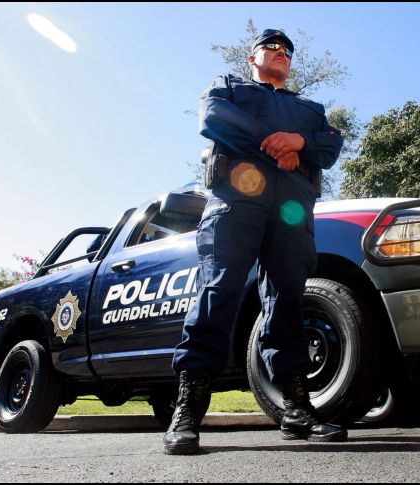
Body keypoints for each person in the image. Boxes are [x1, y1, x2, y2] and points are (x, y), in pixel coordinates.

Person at [163, 29, 345, 455]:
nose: (281, 53)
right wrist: (278, 145)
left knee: (287, 298)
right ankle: (188, 411)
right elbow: (214, 118)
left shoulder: (310, 108)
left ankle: (296, 408)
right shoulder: (229, 86)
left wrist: (301, 141)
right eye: (271, 47)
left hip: (292, 208)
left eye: (287, 51)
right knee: (219, 291)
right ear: (253, 56)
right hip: (237, 199)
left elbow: (332, 144)